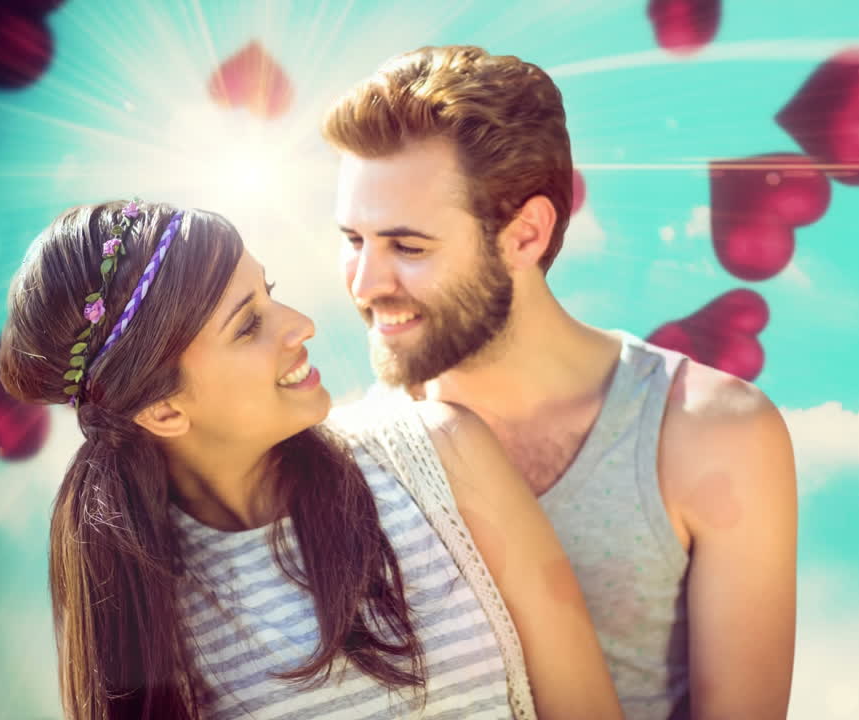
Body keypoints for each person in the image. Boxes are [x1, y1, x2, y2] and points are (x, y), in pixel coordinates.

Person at [0, 200, 620, 720]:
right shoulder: (139, 607)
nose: (301, 325)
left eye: (270, 295)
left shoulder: (444, 454)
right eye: (247, 326)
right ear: (162, 412)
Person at [323, 45, 798, 720]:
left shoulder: (711, 434)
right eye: (352, 240)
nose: (367, 285)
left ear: (527, 234)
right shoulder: (339, 461)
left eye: (409, 247)